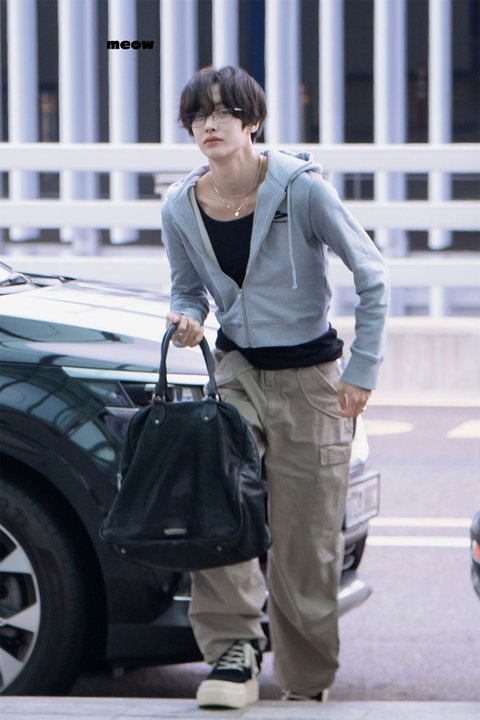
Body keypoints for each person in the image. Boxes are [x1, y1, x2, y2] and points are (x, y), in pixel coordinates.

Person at [161, 65, 389, 709]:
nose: (209, 124)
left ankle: (305, 680)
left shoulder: (302, 190)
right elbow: (187, 289)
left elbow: (373, 275)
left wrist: (362, 371)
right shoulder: (180, 205)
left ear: (252, 121)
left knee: (305, 541)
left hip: (312, 382)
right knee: (220, 513)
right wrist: (186, 318)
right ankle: (232, 653)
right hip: (236, 375)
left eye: (224, 112)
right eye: (198, 115)